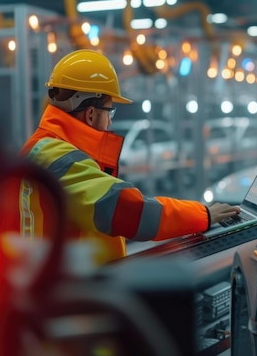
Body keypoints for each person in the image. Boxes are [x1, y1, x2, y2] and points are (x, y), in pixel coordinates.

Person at [17, 49, 240, 263]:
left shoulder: (41, 148)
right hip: (67, 293)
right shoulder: (57, 159)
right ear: (91, 113)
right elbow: (130, 211)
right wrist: (203, 215)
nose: (111, 121)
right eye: (110, 111)